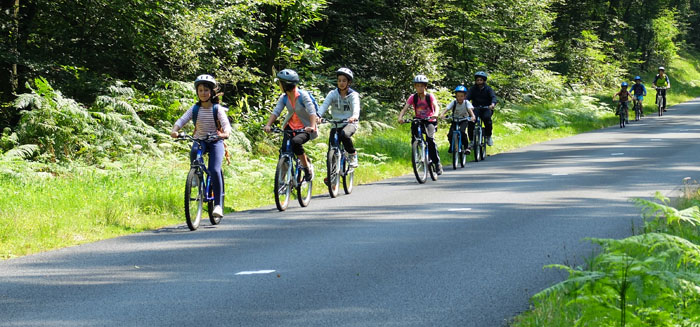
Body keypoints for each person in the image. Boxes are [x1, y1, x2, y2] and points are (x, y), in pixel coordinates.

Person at [171, 74, 231, 218]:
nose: (203, 93)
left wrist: (225, 134)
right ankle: (196, 177)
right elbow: (182, 120)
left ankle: (217, 205)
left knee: (214, 170)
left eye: (206, 90)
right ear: (197, 93)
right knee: (194, 153)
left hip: (216, 141)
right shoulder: (195, 109)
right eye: (200, 90)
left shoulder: (217, 108)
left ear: (211, 92)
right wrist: (175, 130)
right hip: (200, 140)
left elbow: (226, 125)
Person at [263, 69, 318, 181]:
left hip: (305, 128)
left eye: (280, 83)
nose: (279, 85)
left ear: (285, 85)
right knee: (284, 151)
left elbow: (312, 112)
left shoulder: (303, 96)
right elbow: (276, 112)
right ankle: (282, 182)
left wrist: (312, 127)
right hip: (290, 127)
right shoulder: (284, 98)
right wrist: (268, 125)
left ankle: (306, 167)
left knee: (296, 142)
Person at [398, 74, 443, 175]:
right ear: (415, 86)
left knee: (430, 139)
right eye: (417, 86)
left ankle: (437, 163)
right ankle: (417, 152)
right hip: (418, 119)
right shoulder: (413, 97)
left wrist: (435, 114)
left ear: (425, 86)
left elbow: (436, 106)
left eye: (422, 86)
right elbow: (405, 108)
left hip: (429, 120)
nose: (419, 88)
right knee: (414, 137)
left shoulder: (429, 96)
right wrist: (400, 117)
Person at [317, 67, 361, 168]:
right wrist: (318, 116)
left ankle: (352, 154)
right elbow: (324, 106)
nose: (341, 83)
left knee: (344, 135)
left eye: (344, 81)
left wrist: (354, 116)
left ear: (349, 82)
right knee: (331, 150)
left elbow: (356, 108)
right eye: (339, 80)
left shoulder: (353, 95)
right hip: (336, 123)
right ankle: (331, 175)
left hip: (350, 123)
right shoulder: (332, 94)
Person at [439, 85, 476, 154]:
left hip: (464, 120)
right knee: (450, 134)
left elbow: (470, 110)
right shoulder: (454, 102)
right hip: (455, 120)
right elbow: (447, 108)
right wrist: (442, 114)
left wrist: (472, 116)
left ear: (465, 96)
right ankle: (452, 145)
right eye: (458, 96)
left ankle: (466, 147)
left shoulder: (466, 103)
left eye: (462, 96)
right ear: (456, 96)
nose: (460, 98)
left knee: (462, 132)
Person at [467, 71, 498, 147]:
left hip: (486, 108)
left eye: (481, 80)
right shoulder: (472, 89)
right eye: (477, 80)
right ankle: (471, 140)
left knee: (487, 119)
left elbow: (493, 97)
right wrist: (466, 103)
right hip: (475, 108)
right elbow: (467, 97)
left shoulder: (488, 89)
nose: (479, 82)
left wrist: (492, 104)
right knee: (471, 121)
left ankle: (488, 136)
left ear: (484, 80)